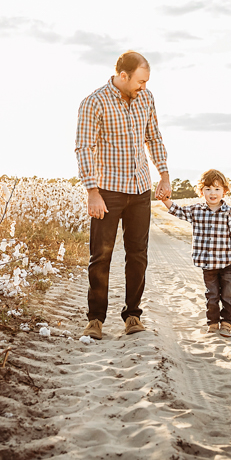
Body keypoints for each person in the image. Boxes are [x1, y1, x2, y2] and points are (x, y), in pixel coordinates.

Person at [75, 51, 171, 339]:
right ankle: (95, 320)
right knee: (101, 256)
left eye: (146, 81)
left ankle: (132, 316)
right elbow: (84, 148)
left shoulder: (147, 98)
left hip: (140, 188)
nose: (143, 86)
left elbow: (153, 137)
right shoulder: (94, 102)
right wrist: (92, 192)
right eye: (140, 81)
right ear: (123, 75)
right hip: (107, 191)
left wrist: (164, 175)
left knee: (138, 255)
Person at [159, 169, 231, 337]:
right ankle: (212, 323)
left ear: (224, 191)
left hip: (228, 263)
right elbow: (179, 212)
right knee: (212, 295)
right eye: (208, 189)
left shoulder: (229, 212)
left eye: (217, 189)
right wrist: (165, 200)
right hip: (208, 263)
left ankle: (226, 323)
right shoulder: (197, 210)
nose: (212, 193)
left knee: (228, 294)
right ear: (201, 191)